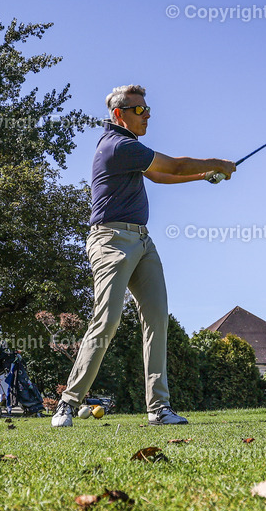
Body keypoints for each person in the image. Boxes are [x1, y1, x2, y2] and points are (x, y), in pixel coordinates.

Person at [51, 84, 235, 427]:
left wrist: (204, 175)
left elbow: (160, 175)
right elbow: (174, 165)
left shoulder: (131, 148)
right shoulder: (118, 146)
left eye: (147, 108)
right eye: (139, 110)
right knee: (106, 320)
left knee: (157, 318)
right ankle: (67, 402)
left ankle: (159, 409)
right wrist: (217, 162)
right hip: (110, 240)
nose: (147, 114)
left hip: (142, 240)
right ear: (119, 114)